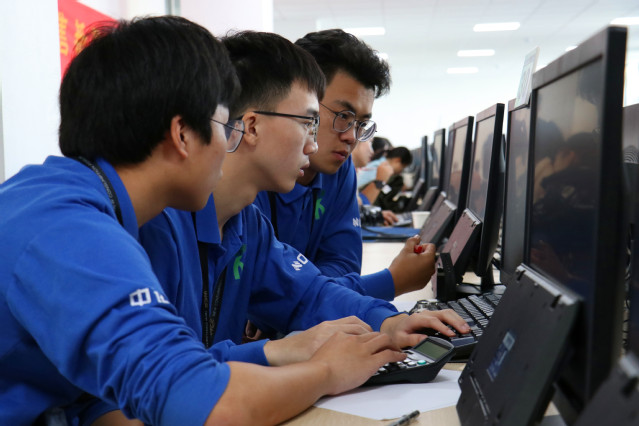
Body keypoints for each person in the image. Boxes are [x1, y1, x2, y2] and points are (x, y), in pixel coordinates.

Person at [0, 17, 414, 426]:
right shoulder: (71, 232)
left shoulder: (84, 203)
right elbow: (203, 401)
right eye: (224, 125)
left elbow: (179, 367)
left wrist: (281, 351)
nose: (230, 142)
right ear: (183, 134)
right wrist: (327, 372)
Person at [80, 29, 469, 426]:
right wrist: (292, 359)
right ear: (249, 125)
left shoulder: (246, 222)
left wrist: (387, 321)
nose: (314, 145)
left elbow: (309, 294)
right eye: (308, 122)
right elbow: (141, 393)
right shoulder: (145, 224)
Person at [253, 29, 433, 300]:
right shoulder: (252, 173)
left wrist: (303, 295)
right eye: (343, 116)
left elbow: (343, 264)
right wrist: (389, 282)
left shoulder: (339, 168)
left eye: (361, 123)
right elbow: (263, 292)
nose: (351, 137)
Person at [352, 139, 398, 225]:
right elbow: (355, 211)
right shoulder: (375, 167)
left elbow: (358, 207)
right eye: (369, 142)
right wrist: (379, 181)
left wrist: (375, 215)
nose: (372, 151)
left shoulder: (352, 171)